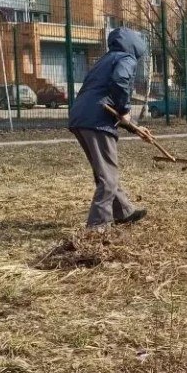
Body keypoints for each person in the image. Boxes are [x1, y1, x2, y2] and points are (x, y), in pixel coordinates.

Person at [68, 27, 149, 230]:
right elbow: (120, 82)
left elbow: (101, 93)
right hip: (98, 120)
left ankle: (123, 211)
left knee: (104, 170)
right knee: (108, 176)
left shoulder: (105, 60)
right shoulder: (126, 58)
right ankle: (98, 225)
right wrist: (124, 109)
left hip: (81, 117)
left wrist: (135, 128)